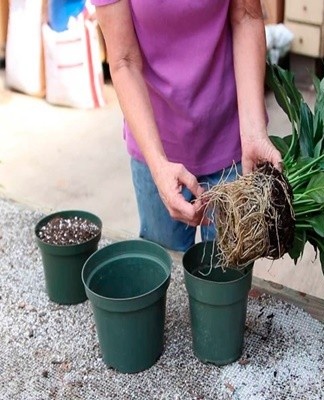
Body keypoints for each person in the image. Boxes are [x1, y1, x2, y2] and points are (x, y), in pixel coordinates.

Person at [91, 0, 282, 251]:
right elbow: (123, 60)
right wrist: (158, 166)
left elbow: (246, 17)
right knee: (164, 269)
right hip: (157, 147)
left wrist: (254, 132)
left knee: (229, 275)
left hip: (232, 138)